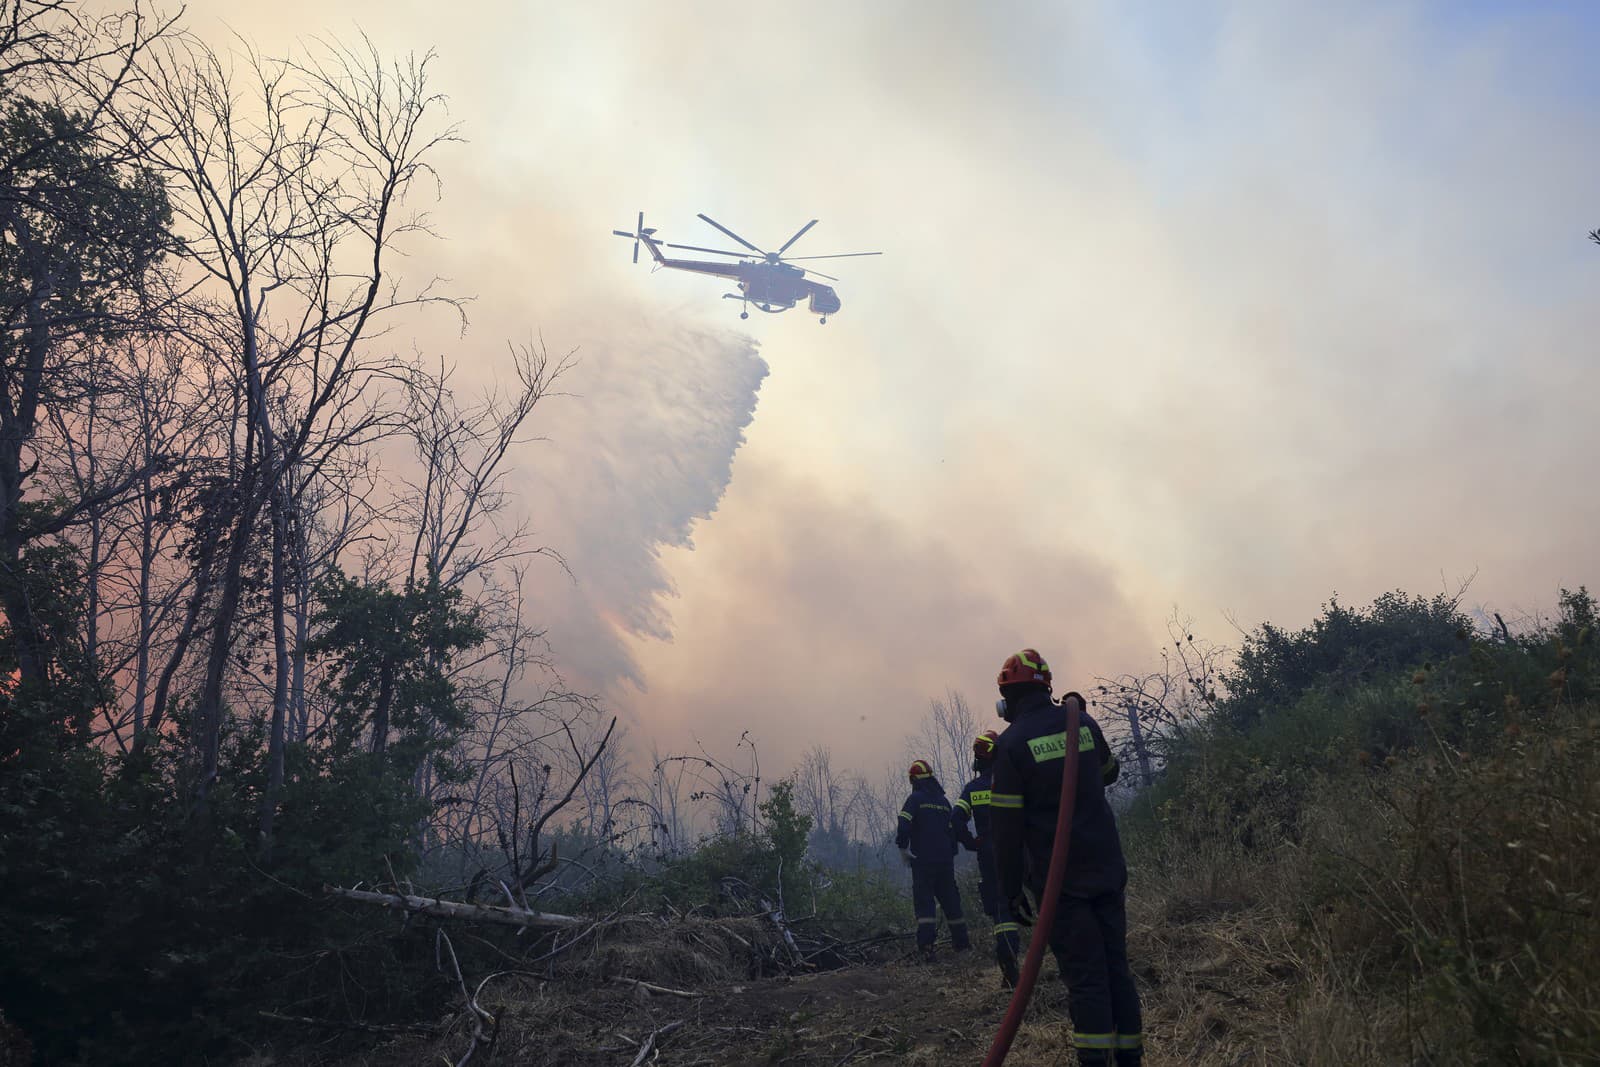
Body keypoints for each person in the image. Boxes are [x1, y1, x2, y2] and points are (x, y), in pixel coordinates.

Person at [989, 649, 1143, 1067]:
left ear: (1008, 699)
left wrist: (1010, 888)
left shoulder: (1013, 744)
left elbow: (1005, 831)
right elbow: (1109, 773)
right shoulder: (1084, 723)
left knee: (1087, 980)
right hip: (1107, 870)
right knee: (1116, 969)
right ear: (1047, 688)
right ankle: (1130, 1061)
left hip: (1063, 886)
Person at [951, 729, 1022, 987]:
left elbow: (956, 819)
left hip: (991, 855)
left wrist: (971, 842)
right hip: (1022, 849)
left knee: (1001, 910)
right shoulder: (1014, 779)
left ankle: (1009, 964)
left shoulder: (972, 790)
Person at [895, 759, 970, 961]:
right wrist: (951, 853)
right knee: (951, 902)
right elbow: (952, 830)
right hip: (945, 862)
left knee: (925, 904)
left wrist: (903, 847)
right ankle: (962, 946)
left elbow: (904, 823)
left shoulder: (915, 799)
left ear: (914, 780)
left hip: (923, 861)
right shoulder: (944, 802)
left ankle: (927, 949)